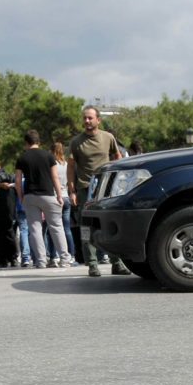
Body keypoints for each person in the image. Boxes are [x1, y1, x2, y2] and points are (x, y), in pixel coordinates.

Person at [67, 106, 131, 277]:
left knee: (110, 224)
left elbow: (117, 157)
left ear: (98, 120)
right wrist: (71, 191)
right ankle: (92, 265)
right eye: (85, 118)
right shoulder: (76, 142)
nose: (87, 121)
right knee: (87, 228)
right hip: (85, 189)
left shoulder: (108, 137)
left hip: (106, 189)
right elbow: (71, 167)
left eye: (90, 118)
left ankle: (116, 263)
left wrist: (118, 180)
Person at [15, 129, 70, 268]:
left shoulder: (22, 158)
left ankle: (41, 261)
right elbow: (55, 177)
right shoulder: (49, 156)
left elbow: (17, 181)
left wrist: (21, 196)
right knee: (57, 227)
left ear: (26, 143)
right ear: (38, 142)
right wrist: (59, 195)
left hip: (30, 196)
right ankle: (64, 259)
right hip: (48, 195)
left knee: (35, 228)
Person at [50, 140, 76, 264]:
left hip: (56, 196)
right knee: (67, 229)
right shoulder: (66, 164)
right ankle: (72, 255)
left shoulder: (52, 163)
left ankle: (54, 256)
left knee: (55, 229)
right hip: (66, 196)